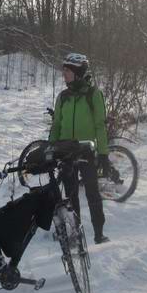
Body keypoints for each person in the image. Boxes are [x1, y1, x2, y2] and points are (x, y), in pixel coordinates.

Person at [48, 52, 111, 245]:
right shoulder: (63, 97)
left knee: (92, 193)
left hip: (86, 151)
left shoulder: (93, 95)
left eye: (68, 70)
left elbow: (100, 126)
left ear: (78, 72)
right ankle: (75, 233)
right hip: (66, 152)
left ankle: (99, 233)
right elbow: (57, 124)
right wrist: (50, 148)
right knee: (71, 195)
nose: (64, 74)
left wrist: (103, 154)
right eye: (64, 70)